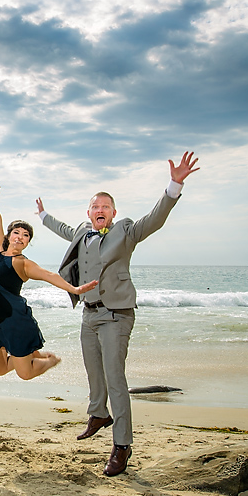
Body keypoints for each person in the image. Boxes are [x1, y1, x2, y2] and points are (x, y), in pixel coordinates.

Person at [36, 151, 199, 477]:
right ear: (89, 212)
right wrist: (42, 216)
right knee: (93, 370)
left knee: (115, 378)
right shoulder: (82, 232)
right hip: (89, 314)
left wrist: (174, 186)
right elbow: (64, 229)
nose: (100, 211)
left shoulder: (126, 231)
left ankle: (122, 446)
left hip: (116, 315)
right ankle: (98, 413)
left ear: (113, 213)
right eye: (95, 207)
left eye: (105, 207)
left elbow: (154, 219)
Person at [0, 217, 99, 380]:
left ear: (28, 241)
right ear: (8, 236)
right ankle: (30, 355)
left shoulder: (23, 264)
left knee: (25, 374)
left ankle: (50, 360)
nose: (20, 237)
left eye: (26, 235)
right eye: (16, 233)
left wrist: (74, 289)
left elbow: (49, 275)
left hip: (14, 322)